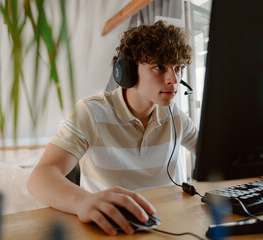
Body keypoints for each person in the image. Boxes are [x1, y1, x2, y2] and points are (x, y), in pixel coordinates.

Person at [27, 20, 197, 236]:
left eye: (178, 68)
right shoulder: (91, 113)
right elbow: (40, 177)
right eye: (159, 67)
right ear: (127, 73)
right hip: (111, 230)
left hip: (169, 226)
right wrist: (83, 201)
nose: (174, 79)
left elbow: (217, 156)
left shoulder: (177, 117)